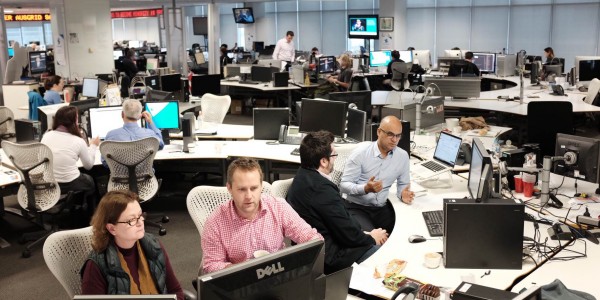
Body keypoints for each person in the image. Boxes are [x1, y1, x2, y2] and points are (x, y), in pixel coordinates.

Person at [287, 131, 388, 274]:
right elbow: (348, 234)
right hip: (330, 258)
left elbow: (340, 223)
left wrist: (364, 233)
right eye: (334, 155)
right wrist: (371, 238)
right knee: (387, 253)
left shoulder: (303, 175)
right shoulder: (322, 190)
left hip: (318, 248)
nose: (335, 159)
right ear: (323, 161)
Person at [201, 158, 322, 274]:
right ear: (229, 188)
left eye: (254, 188)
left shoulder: (278, 207)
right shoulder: (215, 222)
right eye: (242, 189)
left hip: (278, 275)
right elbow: (211, 265)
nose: (249, 196)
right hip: (239, 283)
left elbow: (310, 237)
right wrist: (246, 271)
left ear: (261, 187)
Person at [81, 190, 184, 299]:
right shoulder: (96, 266)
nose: (140, 223)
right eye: (132, 220)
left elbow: (175, 291)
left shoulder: (154, 246)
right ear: (112, 228)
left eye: (140, 215)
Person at [340, 115, 415, 233]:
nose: (394, 140)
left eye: (398, 135)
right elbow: (343, 185)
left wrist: (403, 194)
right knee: (373, 240)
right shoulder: (360, 153)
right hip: (357, 207)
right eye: (390, 134)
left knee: (407, 231)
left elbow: (403, 185)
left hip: (381, 208)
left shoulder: (402, 156)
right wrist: (365, 188)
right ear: (379, 132)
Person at [40, 106, 100, 212]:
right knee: (91, 180)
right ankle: (91, 213)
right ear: (74, 122)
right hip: (70, 182)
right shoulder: (78, 141)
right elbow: (89, 166)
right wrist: (93, 146)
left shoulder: (46, 136)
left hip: (50, 182)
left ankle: (74, 205)